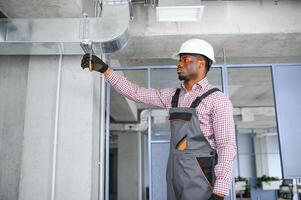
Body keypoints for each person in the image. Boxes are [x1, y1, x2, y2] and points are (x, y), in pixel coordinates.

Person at [81, 39, 237, 200]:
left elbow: (226, 146)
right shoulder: (172, 96)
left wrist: (219, 192)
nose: (179, 64)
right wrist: (106, 70)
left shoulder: (217, 99)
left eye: (185, 59)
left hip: (201, 177)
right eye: (179, 59)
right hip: (174, 173)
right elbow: (136, 93)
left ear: (201, 63)